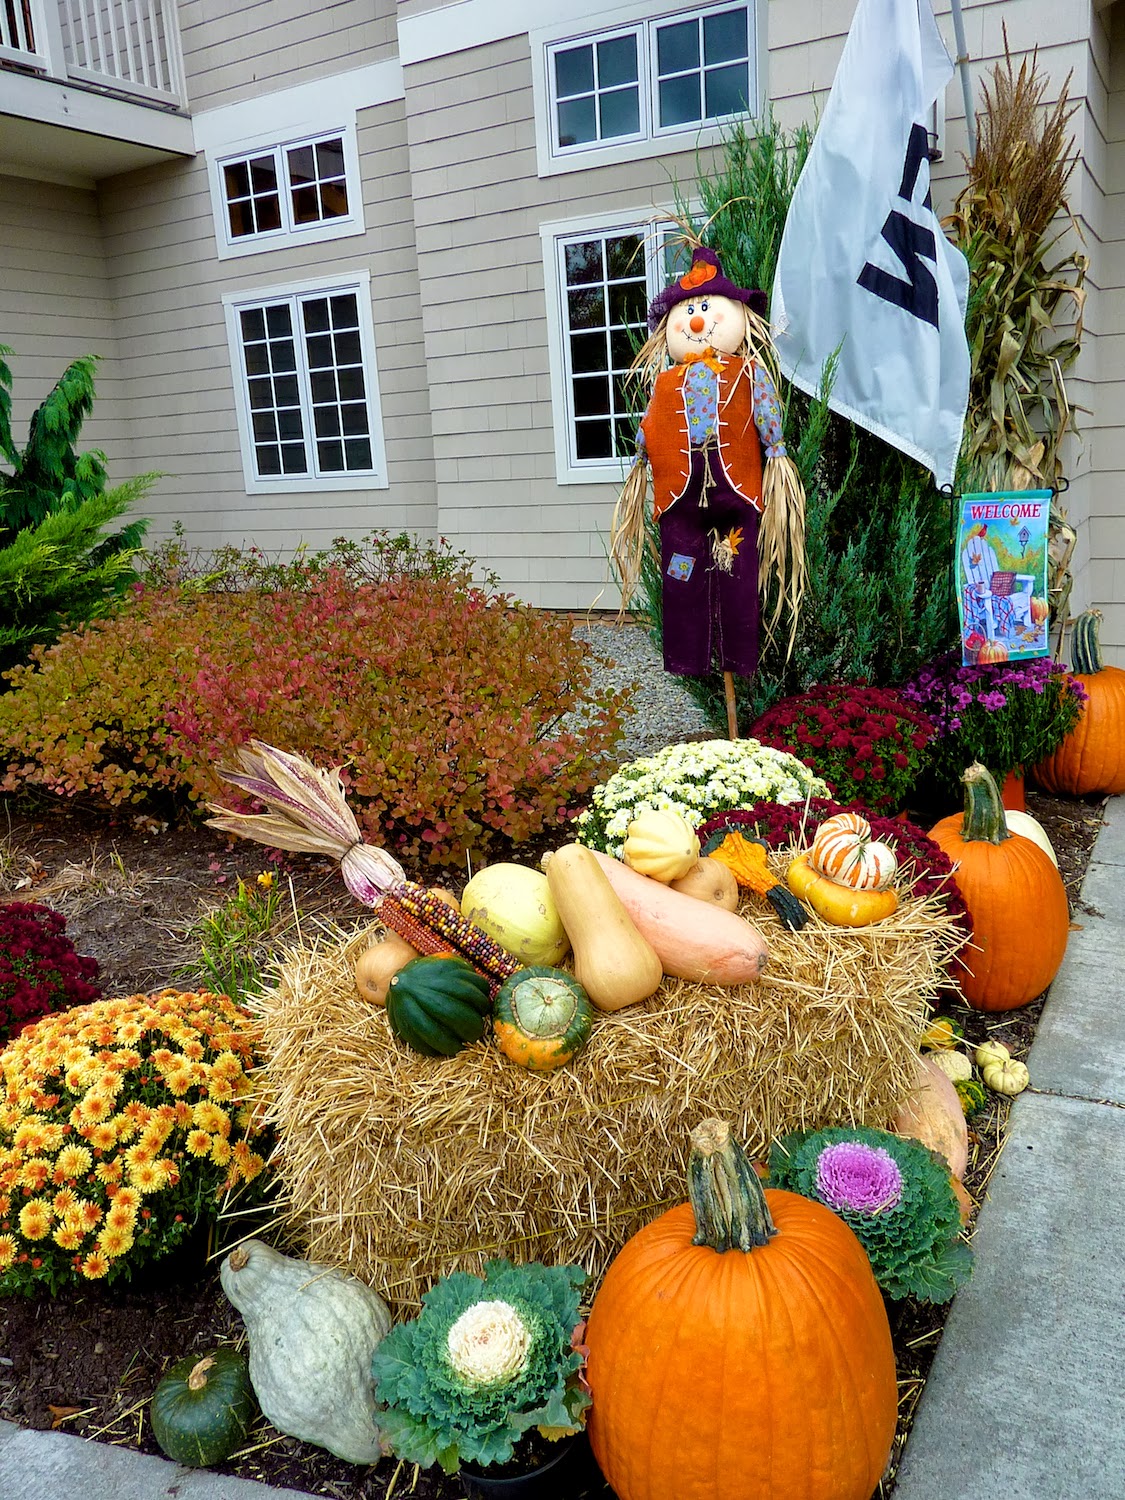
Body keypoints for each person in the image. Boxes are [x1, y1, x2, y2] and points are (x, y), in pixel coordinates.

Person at [611, 245, 806, 679]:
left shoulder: (748, 372)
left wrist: (777, 456)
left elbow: (768, 416)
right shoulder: (664, 383)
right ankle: (688, 658)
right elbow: (651, 426)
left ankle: (737, 658)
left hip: (737, 492)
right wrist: (641, 458)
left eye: (706, 307)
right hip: (679, 500)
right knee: (681, 577)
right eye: (688, 311)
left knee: (738, 576)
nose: (697, 320)